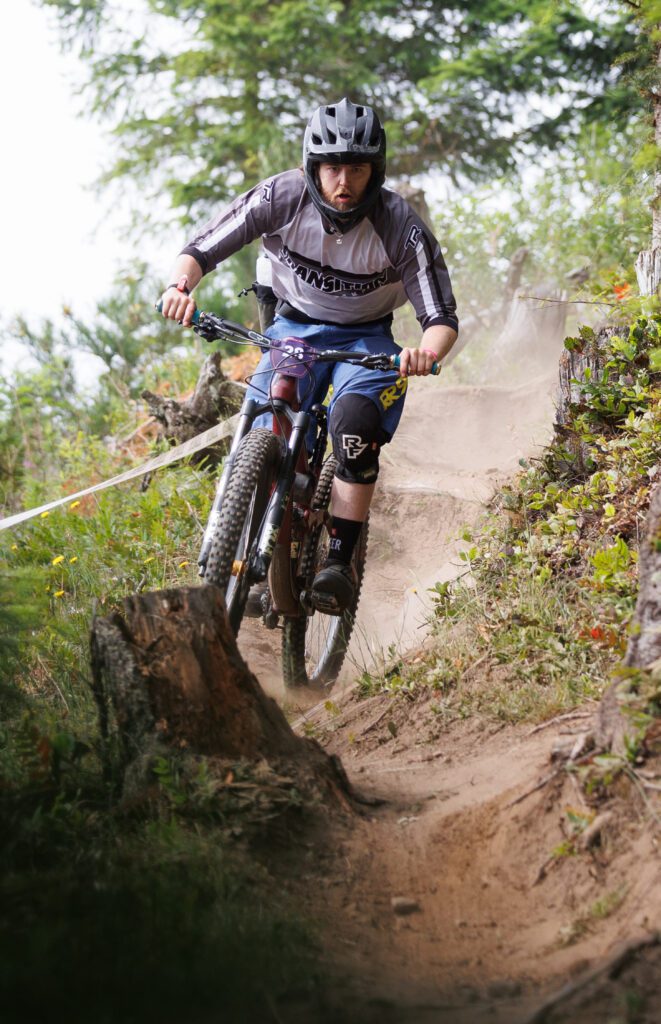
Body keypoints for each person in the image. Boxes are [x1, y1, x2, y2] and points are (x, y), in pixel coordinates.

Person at [160, 97, 458, 613]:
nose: (344, 181)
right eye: (332, 168)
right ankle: (247, 547)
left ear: (375, 172)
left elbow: (440, 319)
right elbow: (202, 247)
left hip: (366, 339)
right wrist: (180, 286)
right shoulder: (282, 196)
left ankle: (339, 560)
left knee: (354, 423)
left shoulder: (398, 224)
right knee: (264, 421)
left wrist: (424, 354)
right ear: (313, 168)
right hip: (291, 324)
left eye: (357, 169)